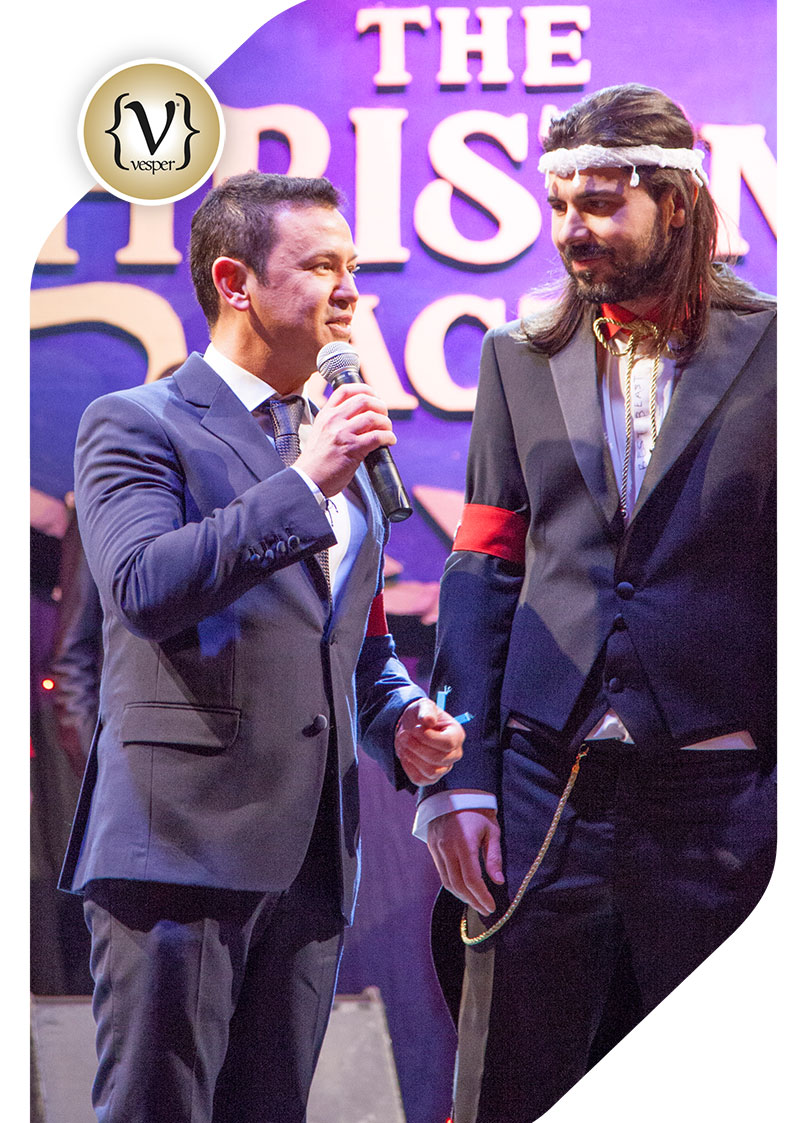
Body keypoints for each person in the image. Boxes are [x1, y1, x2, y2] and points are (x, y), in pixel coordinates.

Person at [58, 171, 464, 1123]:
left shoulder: (340, 451)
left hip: (311, 860)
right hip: (181, 851)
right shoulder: (138, 421)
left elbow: (352, 643)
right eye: (321, 266)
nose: (350, 290)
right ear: (234, 282)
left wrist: (399, 716)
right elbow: (144, 585)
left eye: (352, 266)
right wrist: (307, 481)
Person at [416, 84, 777, 1122]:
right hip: (545, 787)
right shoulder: (515, 356)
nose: (573, 228)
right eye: (560, 204)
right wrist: (460, 780)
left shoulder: (776, 349)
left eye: (602, 204)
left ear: (677, 201)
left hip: (723, 796)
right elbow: (482, 570)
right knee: (512, 1083)